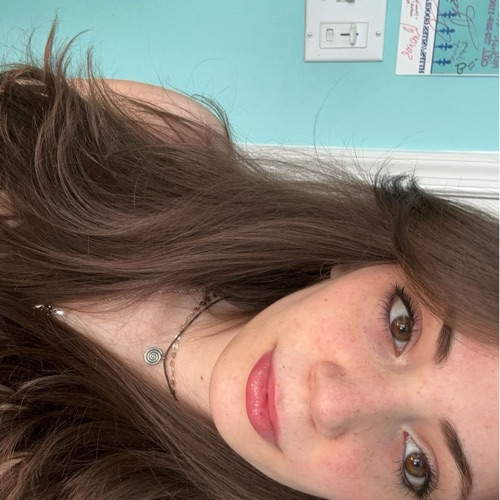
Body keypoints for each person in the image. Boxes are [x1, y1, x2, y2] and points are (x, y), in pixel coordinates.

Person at [0, 25, 497, 500]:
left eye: (416, 464)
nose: (330, 404)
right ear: (364, 260)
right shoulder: (171, 143)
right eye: (401, 326)